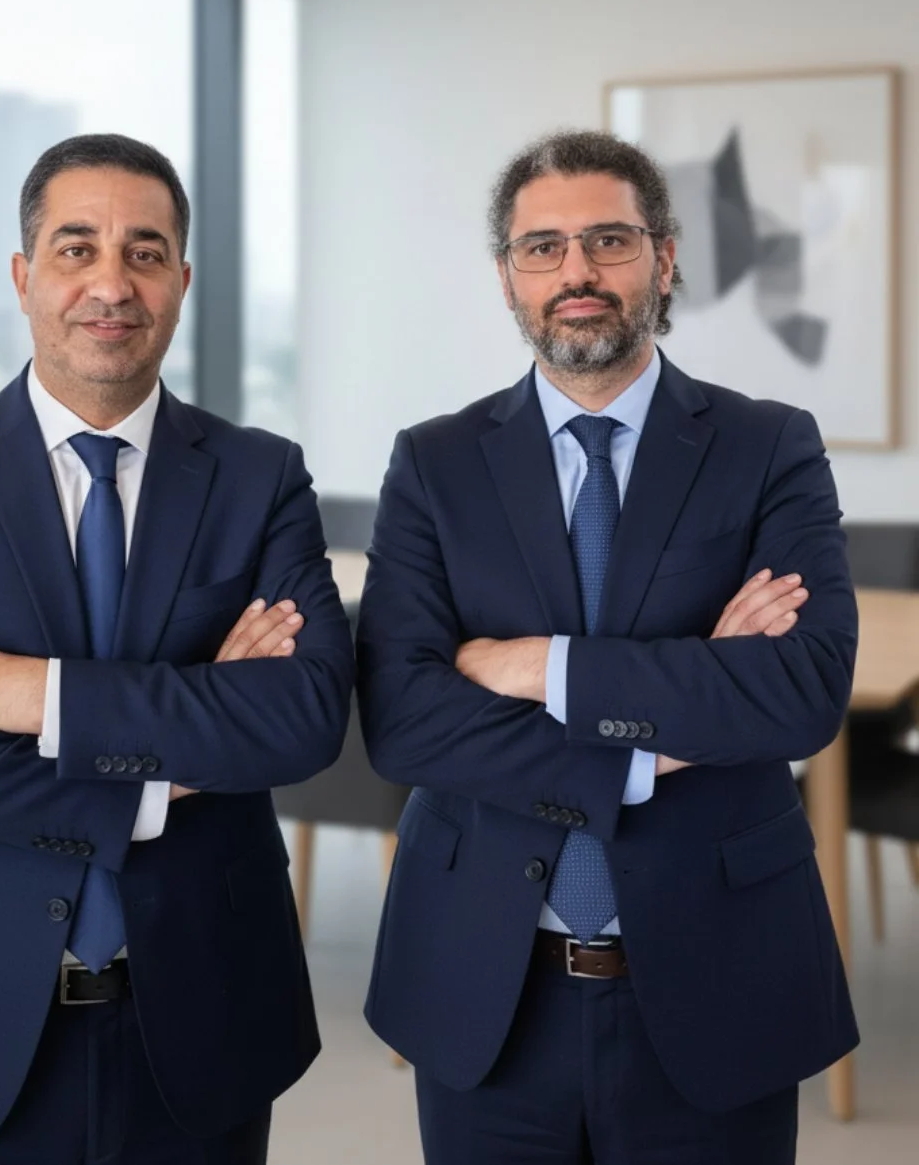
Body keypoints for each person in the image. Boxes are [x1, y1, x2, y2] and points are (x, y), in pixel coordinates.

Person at [0, 133, 353, 1165]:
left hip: (200, 1004)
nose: (112, 282)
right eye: (75, 248)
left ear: (181, 281)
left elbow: (304, 713)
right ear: (23, 276)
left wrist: (35, 694)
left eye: (145, 252)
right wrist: (168, 753)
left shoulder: (258, 475)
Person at [357, 129, 858, 1165]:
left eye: (607, 239)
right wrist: (663, 726)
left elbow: (801, 690)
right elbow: (405, 720)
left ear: (664, 258)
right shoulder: (434, 461)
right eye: (542, 246)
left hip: (721, 974)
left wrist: (535, 666)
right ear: (507, 275)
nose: (575, 270)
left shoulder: (769, 445)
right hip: (485, 981)